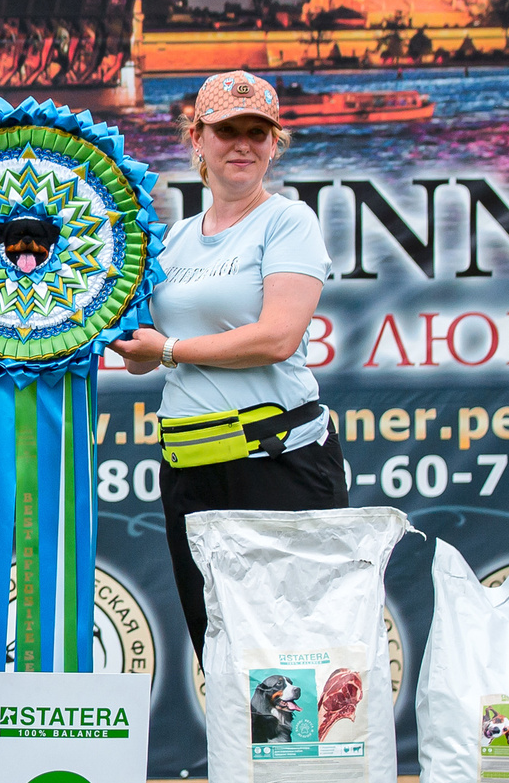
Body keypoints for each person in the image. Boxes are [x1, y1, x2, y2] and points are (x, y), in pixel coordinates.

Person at [111, 70, 344, 661]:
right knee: (218, 652)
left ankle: (306, 760)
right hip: (191, 469)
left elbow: (276, 338)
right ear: (197, 141)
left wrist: (163, 350)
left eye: (257, 132)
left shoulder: (288, 220)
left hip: (279, 462)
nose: (242, 144)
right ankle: (233, 759)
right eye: (226, 131)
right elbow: (146, 357)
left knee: (295, 661)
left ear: (274, 143)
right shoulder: (172, 241)